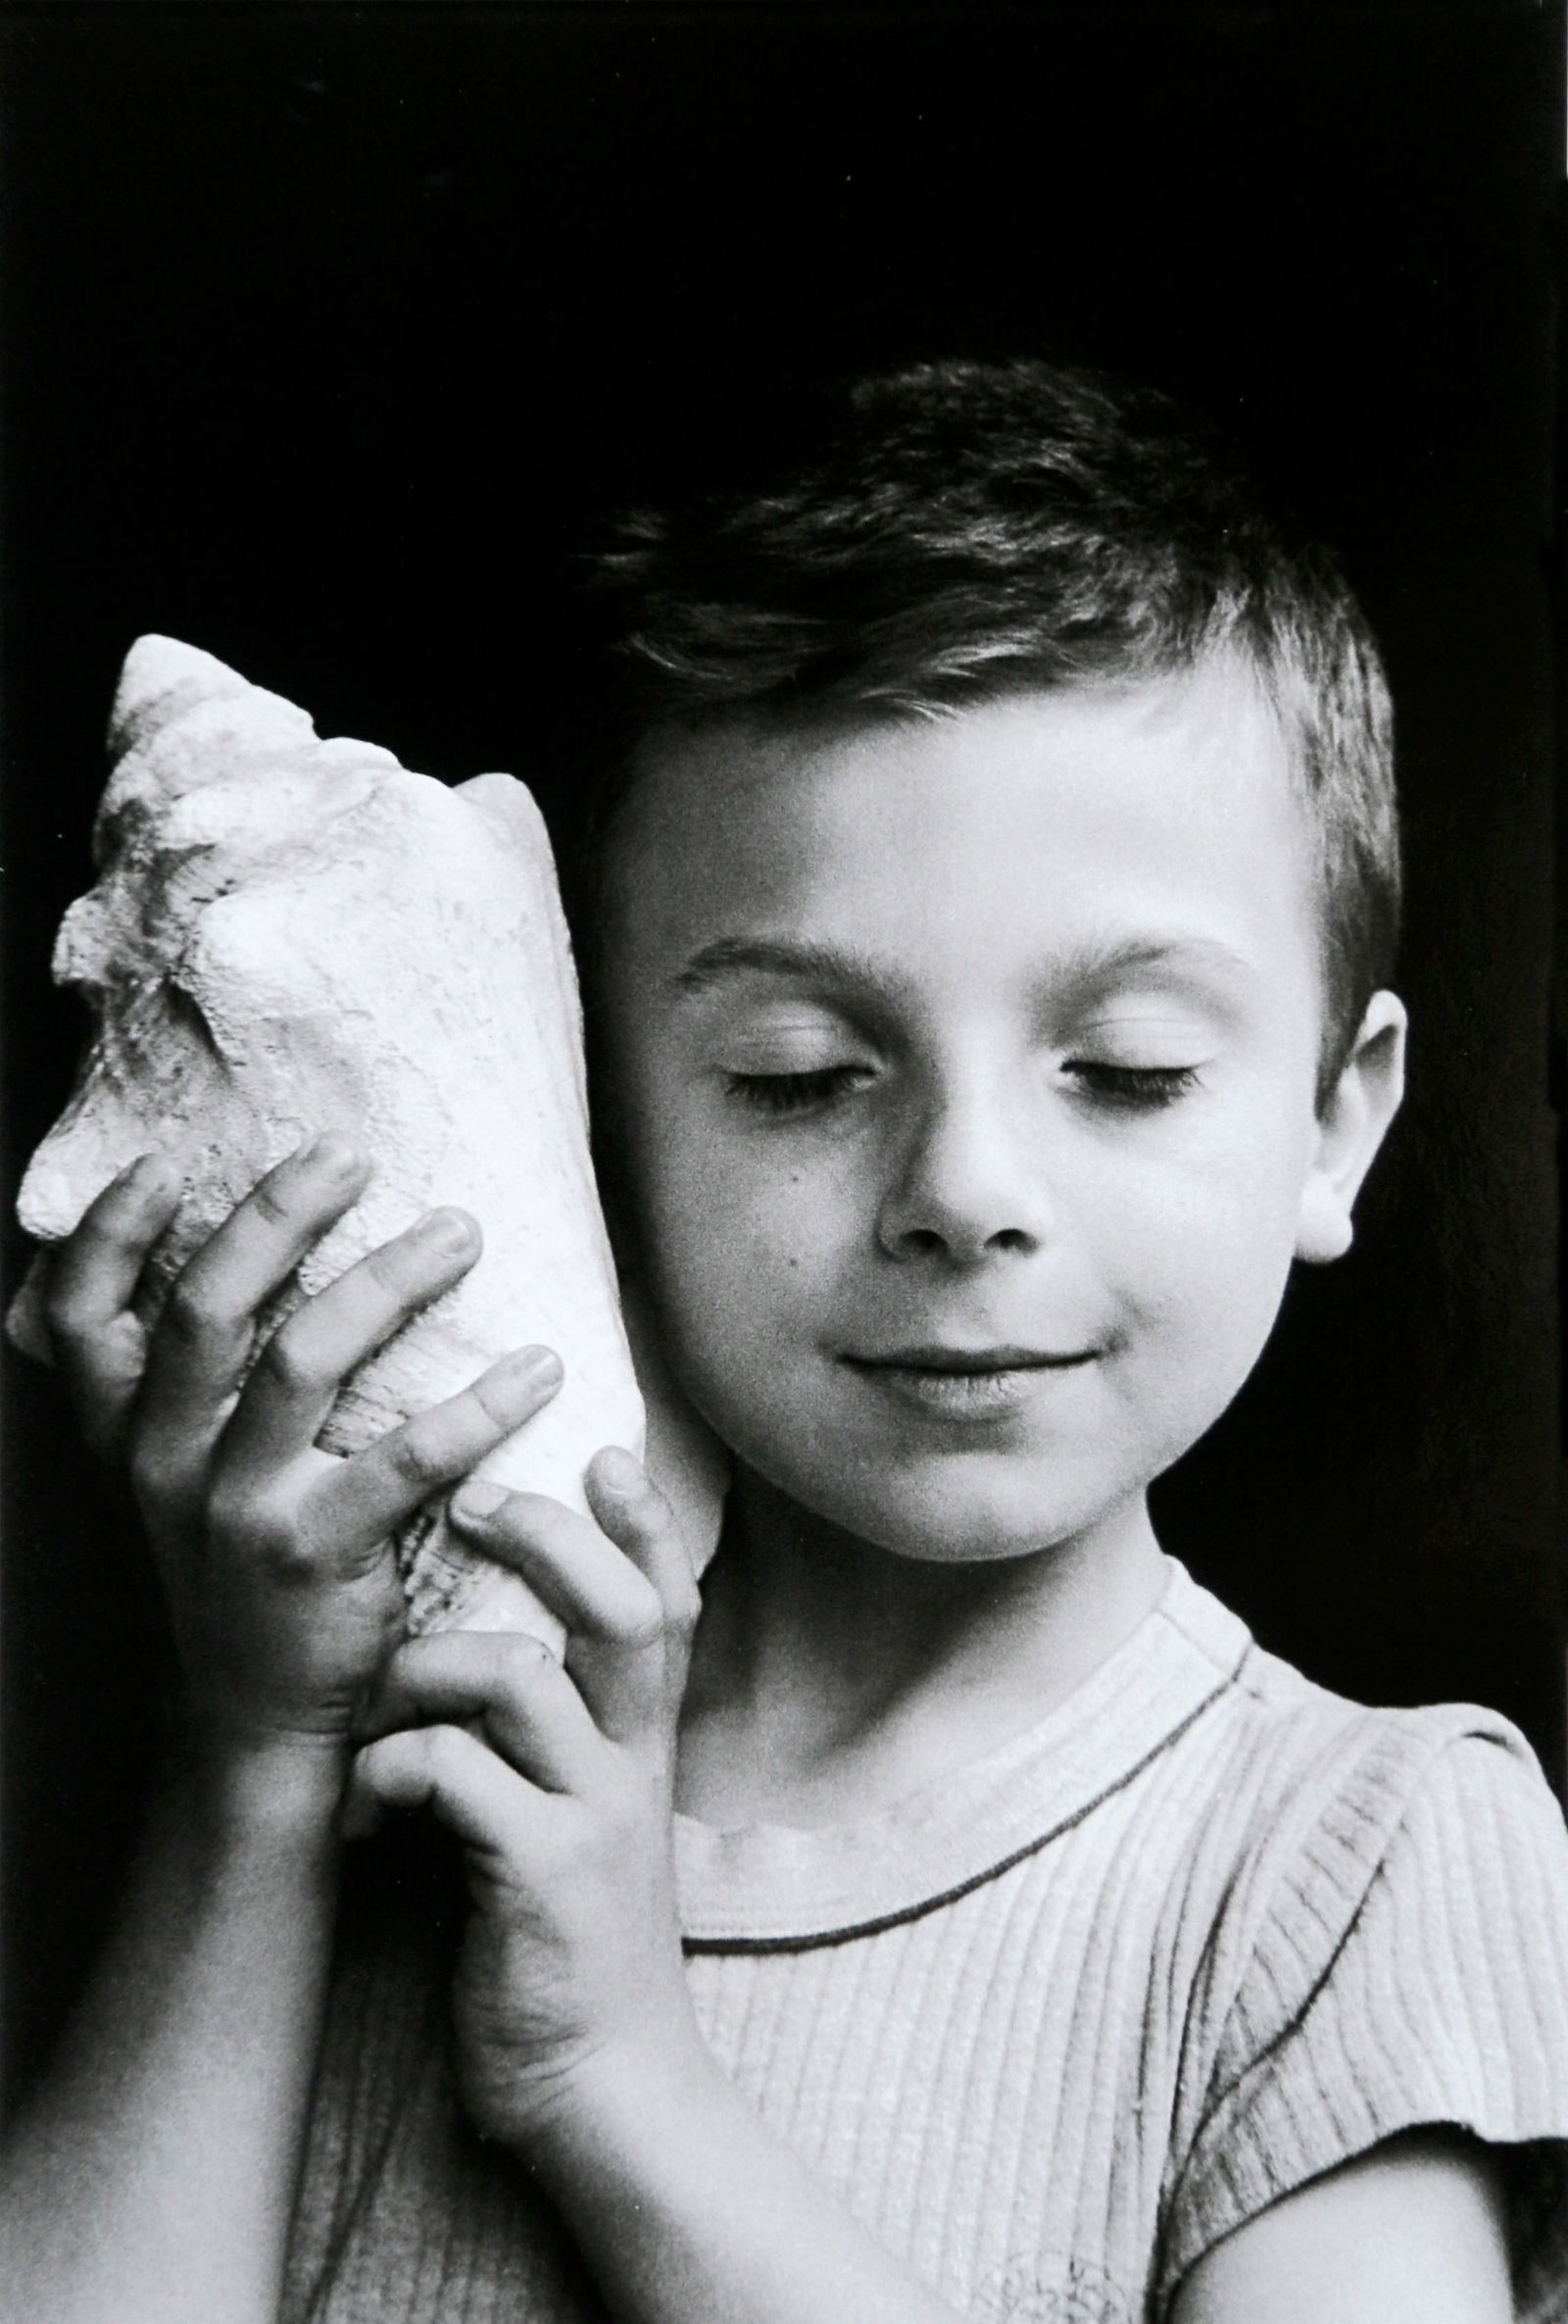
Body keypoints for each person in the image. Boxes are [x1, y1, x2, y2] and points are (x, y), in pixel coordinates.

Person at [3, 360, 1567, 2324]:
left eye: (1126, 1068)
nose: (963, 1187)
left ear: (1335, 1120)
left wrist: (621, 2082)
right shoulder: (401, 1769)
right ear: (594, 1109)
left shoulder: (1357, 1859)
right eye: (799, 1075)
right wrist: (252, 1765)